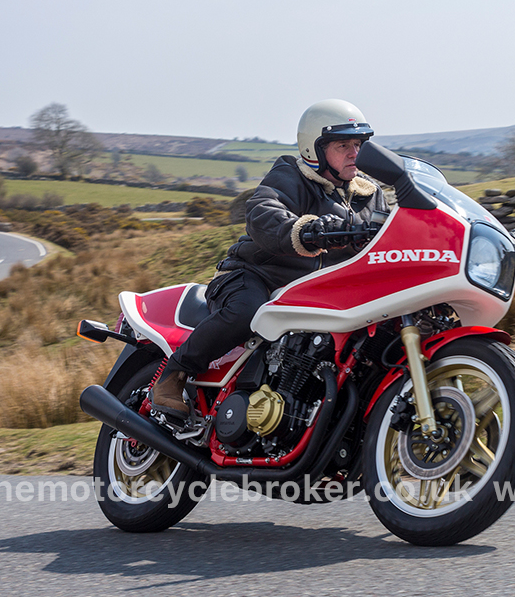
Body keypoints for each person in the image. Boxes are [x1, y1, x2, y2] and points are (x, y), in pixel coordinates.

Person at [150, 99, 388, 420]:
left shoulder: (370, 197)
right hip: (257, 276)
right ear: (313, 150)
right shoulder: (291, 175)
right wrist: (306, 230)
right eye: (342, 145)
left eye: (358, 145)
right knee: (245, 311)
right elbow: (264, 210)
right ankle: (173, 376)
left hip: (321, 294)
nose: (353, 153)